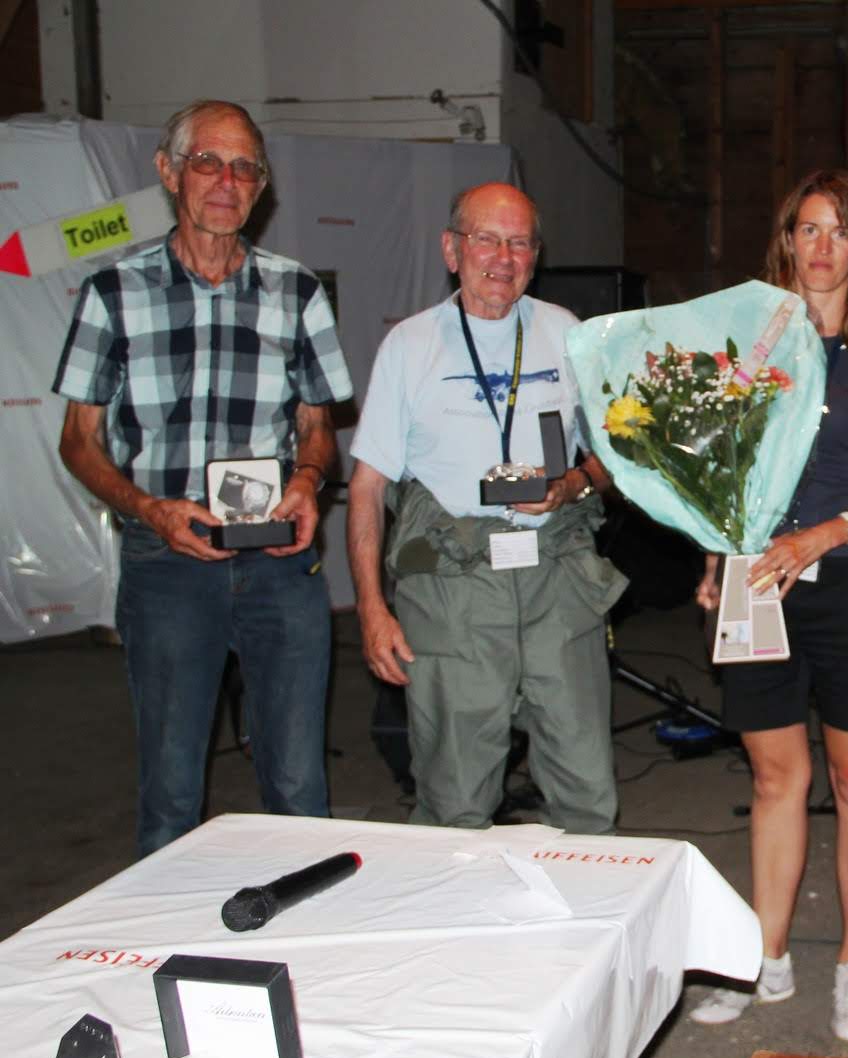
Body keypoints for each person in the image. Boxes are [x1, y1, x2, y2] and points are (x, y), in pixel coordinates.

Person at [53, 99, 353, 857]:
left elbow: (318, 427)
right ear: (168, 172)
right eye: (208, 162)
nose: (227, 181)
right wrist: (148, 509)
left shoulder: (297, 292)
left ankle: (306, 920)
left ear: (262, 186)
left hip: (279, 559)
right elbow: (79, 442)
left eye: (245, 167)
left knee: (299, 788)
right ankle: (169, 929)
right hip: (166, 562)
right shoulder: (113, 292)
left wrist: (308, 481)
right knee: (171, 792)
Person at [688, 171, 848, 1042]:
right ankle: (767, 957)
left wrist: (825, 535)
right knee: (775, 777)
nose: (822, 246)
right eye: (808, 229)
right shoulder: (750, 341)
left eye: (838, 230)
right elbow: (723, 470)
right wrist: (716, 559)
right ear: (787, 240)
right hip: (757, 582)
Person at [346, 183, 625, 836]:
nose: (504, 258)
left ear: (536, 255)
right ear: (452, 250)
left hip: (556, 578)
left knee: (587, 797)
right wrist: (371, 609)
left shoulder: (565, 332)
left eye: (520, 242)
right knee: (455, 804)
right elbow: (366, 488)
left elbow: (617, 458)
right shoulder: (410, 346)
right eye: (487, 239)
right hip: (454, 590)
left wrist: (572, 485)